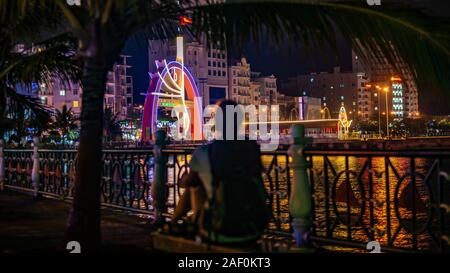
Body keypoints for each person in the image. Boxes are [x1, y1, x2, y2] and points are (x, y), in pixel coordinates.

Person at [171, 100, 270, 244]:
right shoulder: (252, 148)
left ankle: (172, 223)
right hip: (254, 229)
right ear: (240, 121)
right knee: (200, 181)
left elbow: (185, 183)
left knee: (195, 185)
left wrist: (185, 179)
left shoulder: (206, 151)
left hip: (218, 231)